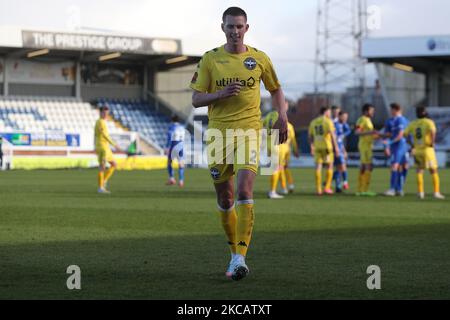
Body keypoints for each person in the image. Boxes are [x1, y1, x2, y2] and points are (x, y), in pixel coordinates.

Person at [190, 6, 288, 281]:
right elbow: (196, 99)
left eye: (239, 26)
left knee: (245, 191)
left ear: (247, 28)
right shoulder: (210, 59)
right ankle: (234, 254)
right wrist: (220, 94)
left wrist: (282, 115)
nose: (235, 31)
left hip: (250, 132)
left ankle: (240, 257)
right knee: (226, 198)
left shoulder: (259, 58)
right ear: (222, 27)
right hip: (219, 136)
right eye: (230, 26)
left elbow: (276, 89)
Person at [404, 107, 445, 200]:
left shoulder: (413, 123)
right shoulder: (429, 122)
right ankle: (436, 192)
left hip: (417, 150)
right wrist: (432, 142)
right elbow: (433, 132)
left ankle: (420, 192)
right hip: (427, 149)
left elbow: (405, 135)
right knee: (433, 170)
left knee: (419, 170)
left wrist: (411, 145)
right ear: (425, 112)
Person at [265, 106, 299, 199]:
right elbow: (293, 140)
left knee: (277, 168)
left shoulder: (268, 116)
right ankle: (272, 191)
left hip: (270, 145)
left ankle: (280, 189)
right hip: (280, 147)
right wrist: (296, 150)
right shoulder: (287, 123)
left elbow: (262, 127)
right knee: (278, 168)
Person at [308, 106, 340, 195]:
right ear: (326, 112)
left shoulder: (313, 122)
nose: (330, 114)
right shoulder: (328, 121)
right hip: (327, 147)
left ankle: (318, 189)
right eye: (329, 112)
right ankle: (327, 188)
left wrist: (312, 146)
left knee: (318, 167)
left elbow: (310, 136)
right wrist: (336, 147)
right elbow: (333, 135)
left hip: (317, 147)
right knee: (330, 166)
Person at [382, 103, 410, 197]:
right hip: (395, 146)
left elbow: (401, 134)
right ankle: (396, 189)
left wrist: (412, 147)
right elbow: (386, 135)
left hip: (401, 145)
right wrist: (386, 146)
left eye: (392, 109)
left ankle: (396, 188)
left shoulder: (402, 120)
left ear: (396, 110)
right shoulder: (389, 121)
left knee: (403, 166)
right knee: (397, 166)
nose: (391, 111)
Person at [94, 106, 121, 194]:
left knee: (114, 164)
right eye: (104, 113)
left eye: (107, 113)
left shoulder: (103, 122)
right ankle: (100, 188)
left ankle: (104, 181)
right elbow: (105, 135)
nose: (106, 115)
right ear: (100, 113)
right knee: (102, 167)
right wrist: (114, 144)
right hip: (102, 147)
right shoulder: (100, 122)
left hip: (106, 147)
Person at [355, 104, 379, 196]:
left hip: (368, 146)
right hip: (364, 146)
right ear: (366, 111)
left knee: (364, 166)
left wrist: (379, 136)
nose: (373, 112)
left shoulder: (368, 120)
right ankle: (364, 190)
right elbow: (357, 132)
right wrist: (371, 132)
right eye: (371, 110)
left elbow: (369, 134)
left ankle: (360, 190)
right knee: (368, 166)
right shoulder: (362, 119)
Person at [333, 111, 351, 192]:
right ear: (339, 116)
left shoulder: (342, 125)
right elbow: (334, 139)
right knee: (343, 166)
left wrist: (344, 151)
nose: (345, 119)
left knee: (339, 168)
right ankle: (345, 182)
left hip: (340, 149)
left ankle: (337, 186)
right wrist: (336, 149)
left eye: (346, 117)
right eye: (344, 117)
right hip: (336, 149)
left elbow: (340, 140)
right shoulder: (335, 124)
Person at [165, 115, 186, 187]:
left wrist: (167, 147)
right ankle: (181, 181)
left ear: (172, 120)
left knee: (169, 162)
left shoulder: (172, 127)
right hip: (181, 146)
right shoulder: (182, 127)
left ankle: (171, 178)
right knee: (181, 164)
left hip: (174, 145)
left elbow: (169, 137)